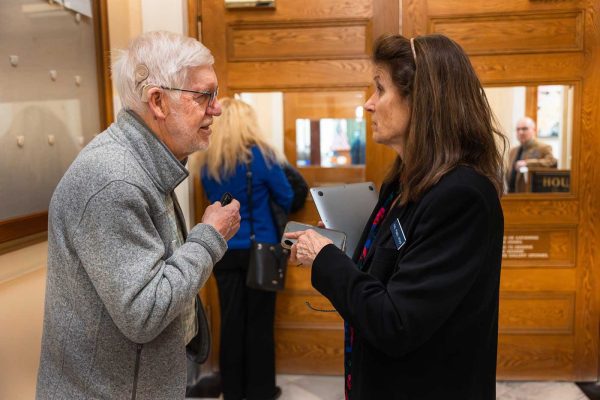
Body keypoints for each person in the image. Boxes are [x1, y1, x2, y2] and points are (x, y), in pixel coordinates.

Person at [285, 34, 506, 400]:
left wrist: (324, 257)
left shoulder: (462, 196)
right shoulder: (406, 180)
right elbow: (391, 268)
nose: (369, 105)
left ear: (422, 101)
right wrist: (342, 246)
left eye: (380, 90)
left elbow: (396, 322)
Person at [36, 31, 241, 400]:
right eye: (204, 95)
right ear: (158, 102)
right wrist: (210, 236)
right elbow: (144, 313)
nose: (217, 108)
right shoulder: (114, 179)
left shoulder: (144, 163)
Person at [198, 97, 293, 400]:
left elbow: (214, 200)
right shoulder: (261, 157)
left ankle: (234, 391)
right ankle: (261, 391)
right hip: (261, 249)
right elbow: (287, 196)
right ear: (248, 123)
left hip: (223, 249)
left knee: (231, 322)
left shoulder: (207, 160)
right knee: (259, 324)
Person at [506, 116, 558, 192]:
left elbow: (551, 162)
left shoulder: (544, 148)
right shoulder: (513, 151)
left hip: (531, 195)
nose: (521, 132)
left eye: (524, 129)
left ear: (534, 130)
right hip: (512, 195)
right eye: (518, 129)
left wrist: (527, 163)